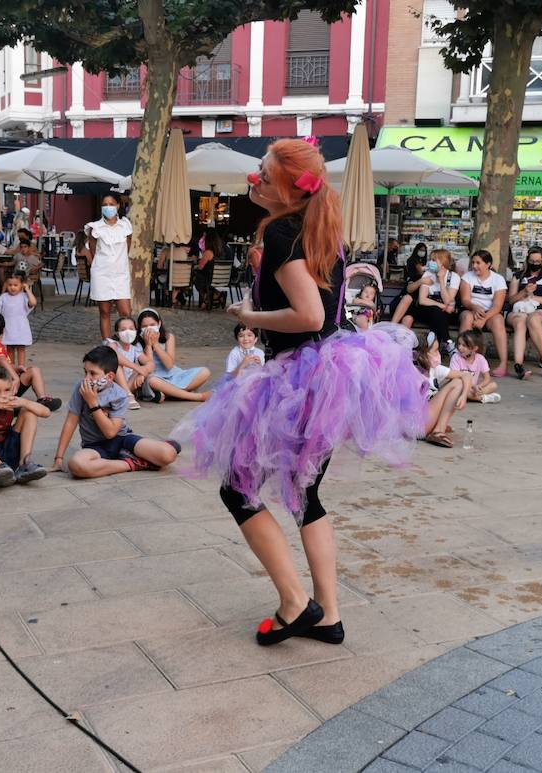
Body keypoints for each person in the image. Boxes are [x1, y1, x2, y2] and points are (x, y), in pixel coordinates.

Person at [172, 138, 427, 647]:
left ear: (289, 187)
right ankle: (328, 615)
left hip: (301, 377)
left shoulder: (287, 230)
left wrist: (248, 316)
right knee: (305, 493)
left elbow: (308, 315)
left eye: (264, 174)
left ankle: (295, 603)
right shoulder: (315, 229)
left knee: (238, 488)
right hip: (328, 372)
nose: (255, 180)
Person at [54, 346, 181, 478]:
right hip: (94, 446)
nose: (87, 378)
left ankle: (141, 453)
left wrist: (93, 403)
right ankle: (133, 463)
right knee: (76, 465)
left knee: (168, 454)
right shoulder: (80, 389)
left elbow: (110, 433)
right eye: (85, 372)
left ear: (109, 377)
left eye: (92, 373)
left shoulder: (119, 394)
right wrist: (58, 458)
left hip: (122, 439)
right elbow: (70, 422)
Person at [0, 311, 62, 410]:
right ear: (4, 330)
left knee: (26, 371)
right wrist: (15, 378)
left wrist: (16, 368)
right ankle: (42, 399)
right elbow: (2, 360)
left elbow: (2, 364)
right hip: (1, 387)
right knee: (34, 370)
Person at [86, 195, 134, 340]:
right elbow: (94, 251)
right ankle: (108, 344)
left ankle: (127, 342)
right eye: (105, 204)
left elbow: (128, 247)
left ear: (118, 206)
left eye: (111, 204)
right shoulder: (94, 228)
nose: (108, 207)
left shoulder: (126, 225)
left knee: (126, 311)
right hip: (102, 274)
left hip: (121, 274)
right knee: (104, 311)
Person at [137, 308, 210, 402]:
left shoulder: (168, 337)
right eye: (144, 326)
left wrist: (156, 344)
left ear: (159, 324)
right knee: (152, 381)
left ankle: (169, 394)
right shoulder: (138, 342)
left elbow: (169, 365)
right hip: (154, 377)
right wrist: (148, 345)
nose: (149, 329)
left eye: (152, 325)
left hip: (173, 374)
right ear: (139, 327)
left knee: (205, 372)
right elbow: (149, 368)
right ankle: (196, 396)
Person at [507, 246, 542, 379]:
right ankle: (518, 364)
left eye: (538, 261)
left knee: (533, 319)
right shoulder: (518, 276)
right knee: (521, 321)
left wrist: (531, 297)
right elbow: (511, 300)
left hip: (541, 311)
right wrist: (524, 292)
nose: (535, 264)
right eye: (532, 261)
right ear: (527, 260)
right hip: (519, 311)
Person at [458, 249, 509, 377]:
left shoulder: (498, 279)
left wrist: (484, 319)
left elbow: (498, 305)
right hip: (471, 309)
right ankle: (462, 360)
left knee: (498, 321)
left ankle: (503, 364)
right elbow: (465, 300)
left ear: (488, 264)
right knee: (467, 318)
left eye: (478, 263)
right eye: (473, 262)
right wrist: (474, 307)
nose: (474, 266)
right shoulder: (467, 277)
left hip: (490, 312)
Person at [416, 331, 469, 448]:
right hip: (416, 425)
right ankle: (438, 431)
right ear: (423, 354)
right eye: (435, 351)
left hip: (424, 421)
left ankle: (438, 426)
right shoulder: (412, 371)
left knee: (459, 381)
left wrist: (464, 396)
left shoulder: (434, 369)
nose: (438, 354)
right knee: (457, 383)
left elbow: (467, 375)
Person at [0, 271, 36, 369]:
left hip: (21, 328)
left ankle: (21, 366)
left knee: (21, 348)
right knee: (9, 348)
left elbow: (33, 302)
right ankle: (11, 366)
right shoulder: (4, 297)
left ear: (22, 285)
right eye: (10, 285)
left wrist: (28, 290)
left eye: (15, 285)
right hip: (8, 327)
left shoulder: (24, 297)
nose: (12, 287)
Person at [107, 316, 152, 404]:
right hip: (113, 384)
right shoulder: (112, 344)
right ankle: (127, 395)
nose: (128, 332)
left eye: (131, 329)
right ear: (117, 333)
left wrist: (141, 373)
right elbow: (115, 355)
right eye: (123, 329)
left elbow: (150, 363)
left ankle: (123, 395)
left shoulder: (135, 348)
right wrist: (138, 368)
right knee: (117, 364)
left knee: (140, 370)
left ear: (135, 331)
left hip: (129, 384)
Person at [450, 329, 500, 403]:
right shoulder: (456, 357)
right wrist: (473, 387)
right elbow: (454, 377)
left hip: (474, 389)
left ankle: (475, 395)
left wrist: (479, 386)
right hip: (461, 386)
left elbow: (487, 378)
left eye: (464, 345)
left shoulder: (480, 359)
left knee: (494, 385)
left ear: (474, 348)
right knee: (459, 389)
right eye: (459, 344)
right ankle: (482, 398)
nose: (460, 347)